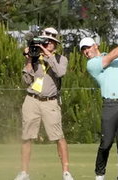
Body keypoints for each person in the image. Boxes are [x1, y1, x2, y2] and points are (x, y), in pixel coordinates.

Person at [80, 31, 118, 180]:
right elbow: (111, 56)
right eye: (83, 50)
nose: (86, 52)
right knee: (106, 143)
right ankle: (100, 174)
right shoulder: (93, 64)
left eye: (87, 47)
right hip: (110, 105)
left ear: (96, 45)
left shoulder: (110, 56)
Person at [14, 27, 73, 180]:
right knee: (27, 136)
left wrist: (48, 56)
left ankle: (66, 172)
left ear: (55, 44)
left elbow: (60, 72)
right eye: (45, 42)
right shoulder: (34, 58)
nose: (47, 44)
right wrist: (28, 60)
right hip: (32, 99)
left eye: (51, 42)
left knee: (58, 136)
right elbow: (26, 81)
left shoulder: (61, 59)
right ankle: (24, 172)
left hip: (50, 102)